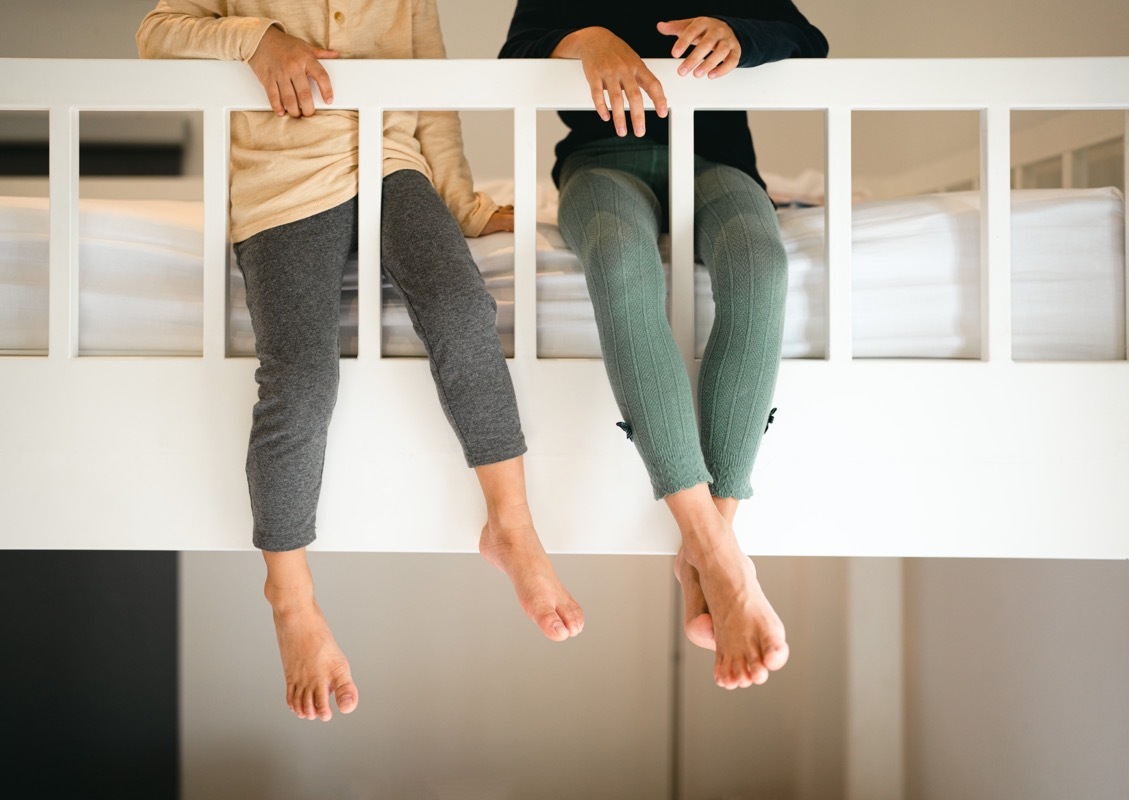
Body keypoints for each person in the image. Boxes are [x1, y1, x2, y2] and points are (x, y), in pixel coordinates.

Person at [137, 0, 584, 722]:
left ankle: (512, 525)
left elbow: (431, 99)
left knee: (462, 308)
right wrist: (258, 40)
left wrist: (464, 206)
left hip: (392, 168)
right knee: (303, 378)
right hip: (280, 184)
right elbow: (157, 34)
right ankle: (290, 595)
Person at [500, 2, 827, 689]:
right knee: (619, 261)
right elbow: (516, 53)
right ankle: (719, 557)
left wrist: (740, 34)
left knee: (760, 264)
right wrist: (585, 41)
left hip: (719, 163)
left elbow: (806, 38)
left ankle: (710, 544)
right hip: (599, 164)